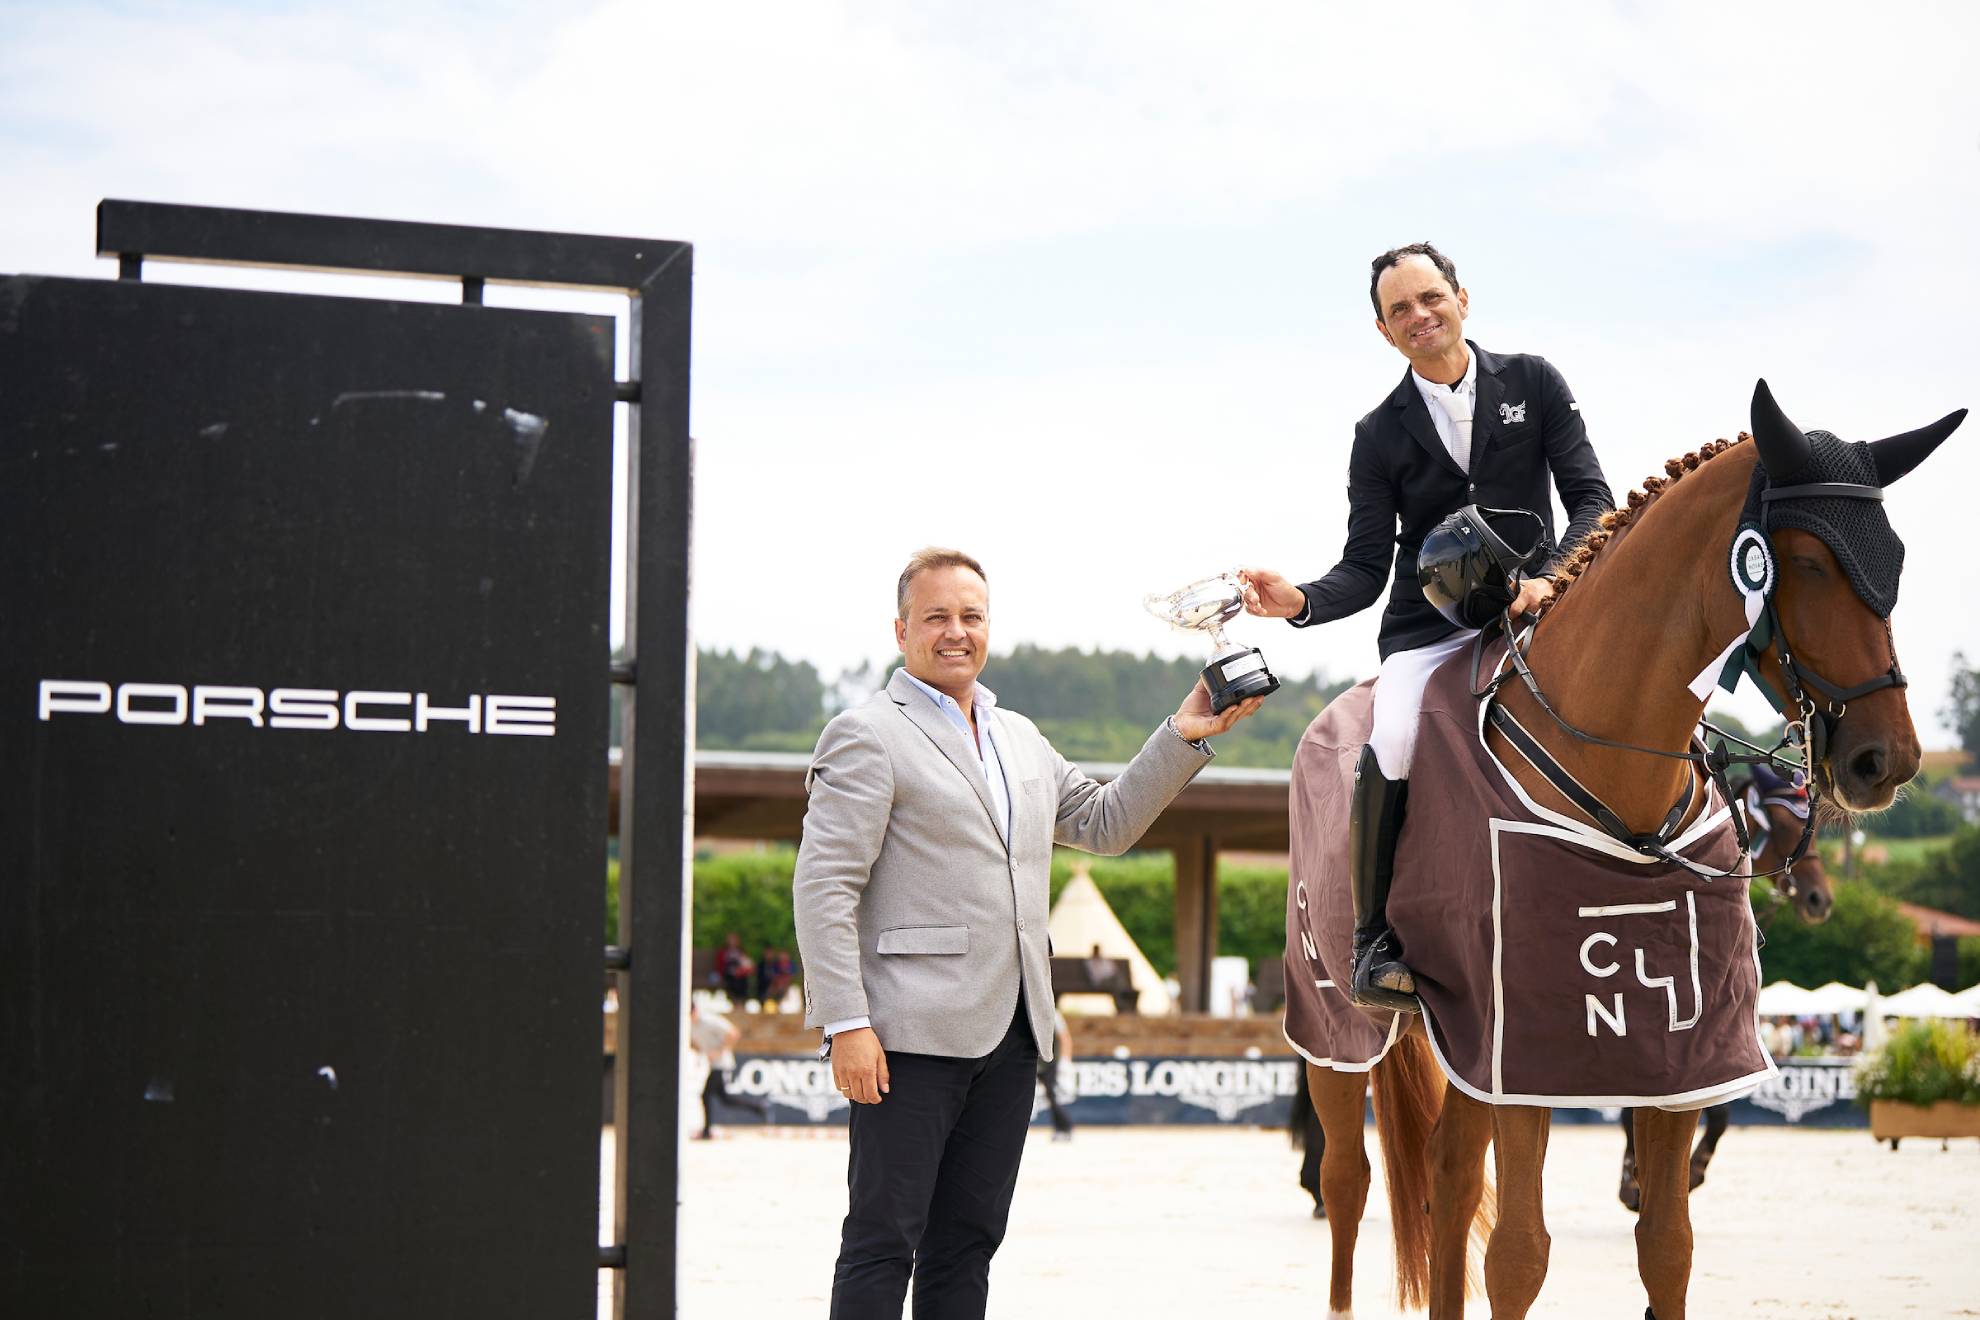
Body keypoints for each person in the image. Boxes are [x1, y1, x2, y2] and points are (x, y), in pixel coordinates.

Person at [794, 547, 1262, 1318]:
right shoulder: (866, 733)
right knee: (882, 1241)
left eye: (970, 617)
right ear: (901, 628)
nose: (955, 632)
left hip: (1013, 1036)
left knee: (967, 1245)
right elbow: (823, 885)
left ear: (988, 628)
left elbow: (1104, 824)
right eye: (937, 617)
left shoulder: (1021, 737)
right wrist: (845, 1021)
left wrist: (1184, 731)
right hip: (904, 1037)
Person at [1240, 242, 1613, 1012]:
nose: (1419, 315)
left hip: (1538, 607)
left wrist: (1553, 580)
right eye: (1400, 309)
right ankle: (1374, 940)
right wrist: (1299, 601)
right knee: (1397, 730)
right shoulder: (1378, 433)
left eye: (1430, 298)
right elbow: (1367, 566)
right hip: (1429, 628)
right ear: (1384, 332)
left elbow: (1591, 501)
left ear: (1462, 299)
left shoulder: (1535, 382)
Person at [688, 1000, 768, 1139]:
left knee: (706, 1096)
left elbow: (732, 1033)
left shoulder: (708, 1020)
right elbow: (697, 1043)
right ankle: (758, 1106)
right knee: (725, 1098)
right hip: (712, 1065)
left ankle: (707, 1131)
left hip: (722, 1064)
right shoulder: (691, 1026)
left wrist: (719, 1051)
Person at [1036, 1009, 1075, 1141]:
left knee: (1052, 1096)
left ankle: (1064, 1128)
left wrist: (1065, 1060)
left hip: (1048, 1063)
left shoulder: (1053, 1013)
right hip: (1032, 1062)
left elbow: (1065, 1038)